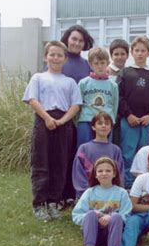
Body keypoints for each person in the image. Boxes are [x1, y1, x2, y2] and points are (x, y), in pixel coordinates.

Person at [22, 41, 82, 221]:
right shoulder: (38, 78)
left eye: (59, 55)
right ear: (45, 57)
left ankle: (54, 202)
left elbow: (76, 105)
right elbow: (32, 100)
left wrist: (62, 121)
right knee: (41, 162)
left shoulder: (70, 82)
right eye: (52, 54)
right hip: (43, 121)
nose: (55, 58)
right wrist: (47, 119)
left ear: (65, 59)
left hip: (63, 123)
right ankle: (39, 204)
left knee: (60, 164)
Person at [72, 157, 132, 246]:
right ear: (95, 174)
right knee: (90, 213)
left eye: (108, 171)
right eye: (100, 171)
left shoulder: (121, 193)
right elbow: (76, 215)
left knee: (116, 216)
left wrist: (110, 218)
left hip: (112, 234)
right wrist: (95, 216)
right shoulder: (90, 192)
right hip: (93, 233)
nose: (104, 173)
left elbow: (127, 215)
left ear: (114, 173)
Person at [118, 36, 149, 188]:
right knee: (128, 154)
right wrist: (128, 114)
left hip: (147, 122)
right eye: (137, 50)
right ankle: (128, 186)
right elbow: (120, 96)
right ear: (132, 52)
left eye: (143, 51)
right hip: (129, 121)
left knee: (146, 154)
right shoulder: (125, 73)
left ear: (148, 53)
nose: (139, 53)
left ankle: (146, 187)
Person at [58, 25, 94, 207]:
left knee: (76, 155)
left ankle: (73, 193)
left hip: (80, 119)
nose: (77, 43)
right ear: (67, 39)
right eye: (74, 39)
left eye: (80, 40)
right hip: (59, 116)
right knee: (60, 156)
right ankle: (58, 194)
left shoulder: (87, 65)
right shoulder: (59, 60)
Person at [72, 112, 124, 198]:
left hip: (110, 194)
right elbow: (78, 173)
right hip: (87, 194)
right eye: (100, 123)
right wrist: (87, 192)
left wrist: (116, 191)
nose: (104, 126)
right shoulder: (84, 148)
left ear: (111, 128)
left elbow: (120, 173)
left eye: (107, 124)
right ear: (93, 127)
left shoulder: (116, 150)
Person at [77, 47, 119, 147]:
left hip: (105, 122)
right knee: (84, 148)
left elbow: (115, 106)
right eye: (96, 63)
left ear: (107, 63)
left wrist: (111, 120)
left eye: (102, 63)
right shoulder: (83, 83)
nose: (100, 66)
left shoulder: (113, 85)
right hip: (86, 120)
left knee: (104, 149)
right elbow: (78, 105)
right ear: (90, 64)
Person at [107, 39, 129, 146]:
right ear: (111, 56)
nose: (119, 57)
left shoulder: (128, 73)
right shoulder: (106, 72)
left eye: (122, 54)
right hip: (109, 114)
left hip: (124, 116)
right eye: (116, 54)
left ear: (127, 55)